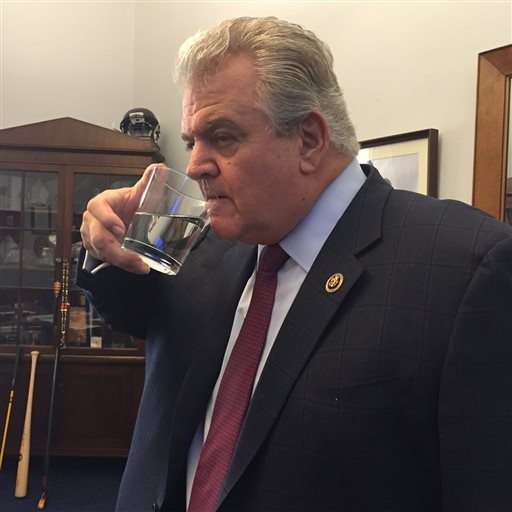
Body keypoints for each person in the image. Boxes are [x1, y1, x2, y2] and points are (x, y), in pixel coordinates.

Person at [77, 16, 512, 512]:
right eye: (192, 138)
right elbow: (139, 312)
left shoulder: (470, 270)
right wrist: (102, 241)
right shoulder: (208, 240)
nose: (194, 164)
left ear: (308, 139)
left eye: (222, 136)